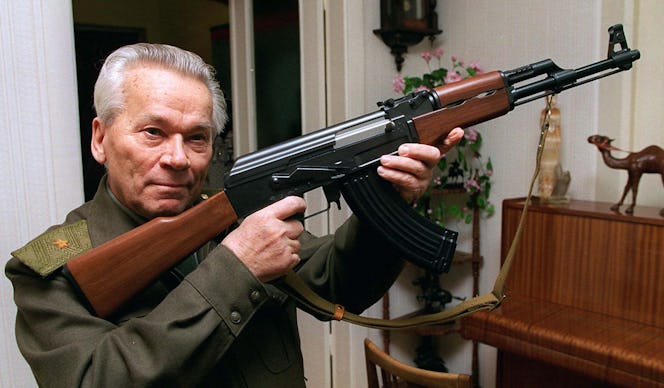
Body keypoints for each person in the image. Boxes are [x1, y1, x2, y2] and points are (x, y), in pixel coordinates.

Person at [6, 43, 464, 387]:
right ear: (101, 139)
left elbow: (337, 284)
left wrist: (392, 199)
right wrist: (236, 268)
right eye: (153, 132)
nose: (179, 158)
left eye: (197, 138)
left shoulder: (230, 218)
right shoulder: (53, 268)